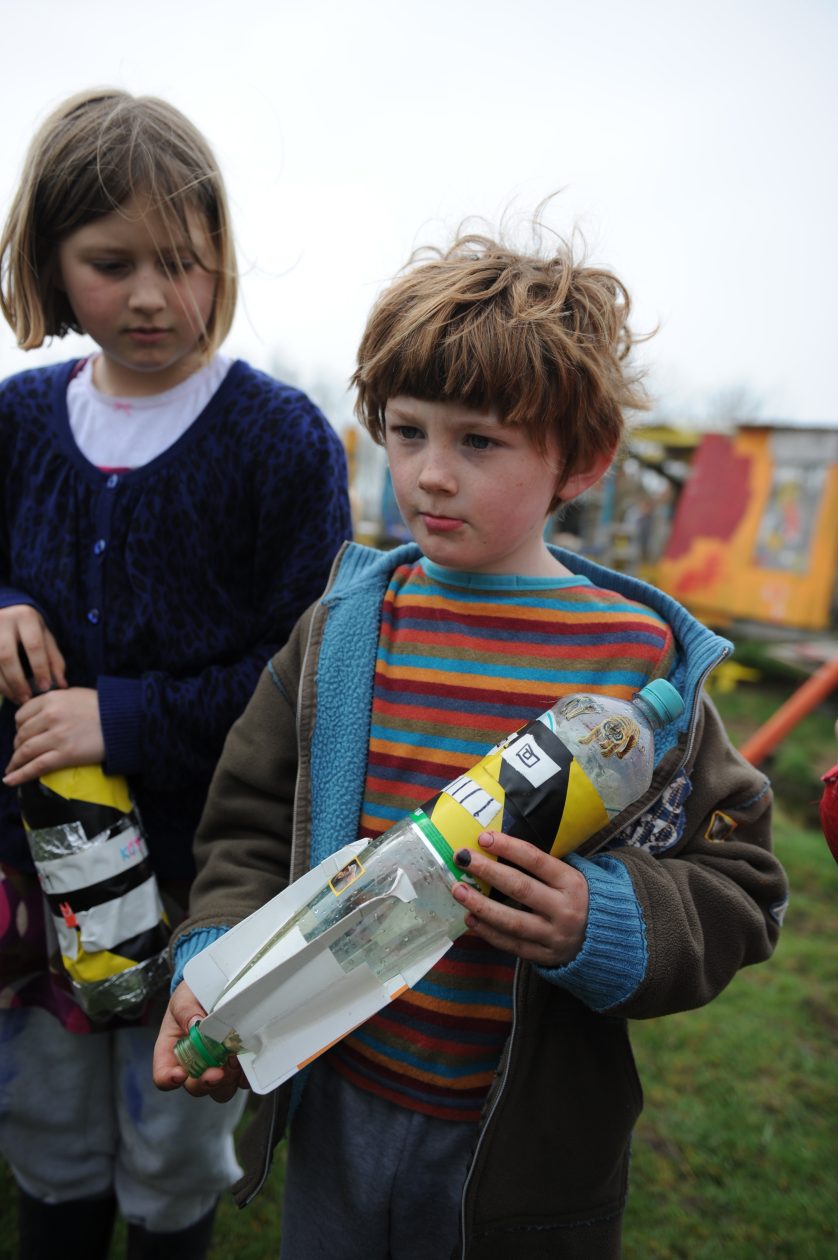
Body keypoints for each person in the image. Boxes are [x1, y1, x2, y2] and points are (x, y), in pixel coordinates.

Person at [153, 225, 788, 1259]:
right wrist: (221, 961)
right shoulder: (344, 630)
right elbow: (248, 825)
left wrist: (604, 919)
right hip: (335, 1100)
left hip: (524, 1153)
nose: (429, 475)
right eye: (407, 432)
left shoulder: (639, 669)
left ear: (581, 461)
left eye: (479, 442)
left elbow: (744, 887)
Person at [0, 88, 351, 1259]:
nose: (152, 296)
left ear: (223, 256)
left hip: (209, 887)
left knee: (170, 1157)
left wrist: (127, 717)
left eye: (184, 261)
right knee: (49, 1141)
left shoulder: (281, 440)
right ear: (49, 263)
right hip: (36, 886)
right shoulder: (13, 422)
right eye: (111, 264)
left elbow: (309, 671)